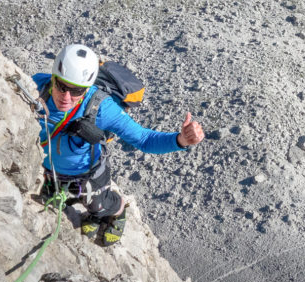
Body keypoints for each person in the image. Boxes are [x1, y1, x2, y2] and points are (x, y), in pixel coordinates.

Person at [33, 44, 204, 245]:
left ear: (87, 88)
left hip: (87, 173)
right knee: (65, 196)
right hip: (47, 169)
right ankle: (89, 208)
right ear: (53, 77)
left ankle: (118, 209)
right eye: (62, 86)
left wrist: (181, 140)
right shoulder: (36, 87)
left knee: (99, 204)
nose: (67, 97)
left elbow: (144, 139)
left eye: (77, 90)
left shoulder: (101, 107)